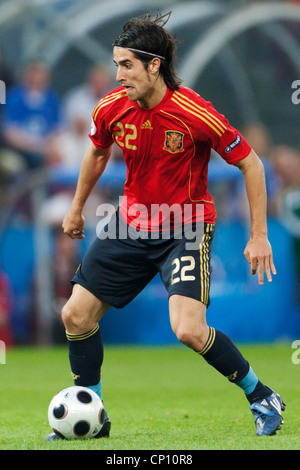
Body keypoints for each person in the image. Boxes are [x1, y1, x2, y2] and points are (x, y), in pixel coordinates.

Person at [46, 12, 284, 440]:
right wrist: (77, 207)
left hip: (185, 227)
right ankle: (94, 416)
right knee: (75, 315)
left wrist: (260, 234)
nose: (119, 75)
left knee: (189, 330)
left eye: (127, 66)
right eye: (117, 65)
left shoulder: (194, 112)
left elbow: (250, 162)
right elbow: (97, 151)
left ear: (154, 65)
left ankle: (262, 396)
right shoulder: (112, 107)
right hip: (130, 223)